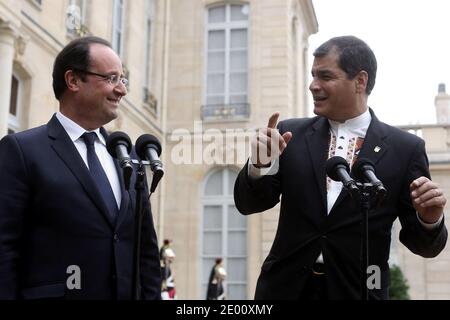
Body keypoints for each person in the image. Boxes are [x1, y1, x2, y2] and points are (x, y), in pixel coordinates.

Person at [234, 35, 447, 300]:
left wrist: (429, 220)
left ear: (360, 81)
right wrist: (258, 165)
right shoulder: (289, 134)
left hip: (360, 292)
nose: (313, 85)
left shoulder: (406, 149)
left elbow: (424, 247)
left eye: (325, 76)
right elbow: (248, 205)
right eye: (312, 76)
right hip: (284, 290)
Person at [0, 36, 161, 299]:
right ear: (73, 80)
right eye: (111, 79)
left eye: (123, 80)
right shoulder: (22, 150)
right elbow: (4, 250)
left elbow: (146, 253)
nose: (122, 90)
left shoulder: (128, 155)